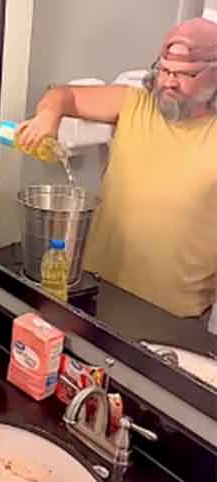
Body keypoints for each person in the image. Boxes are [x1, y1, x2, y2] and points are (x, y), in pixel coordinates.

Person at [17, 17, 217, 318]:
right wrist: (48, 116)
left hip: (176, 316)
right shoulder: (134, 104)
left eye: (184, 74)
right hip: (98, 293)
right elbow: (63, 96)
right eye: (163, 69)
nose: (168, 82)